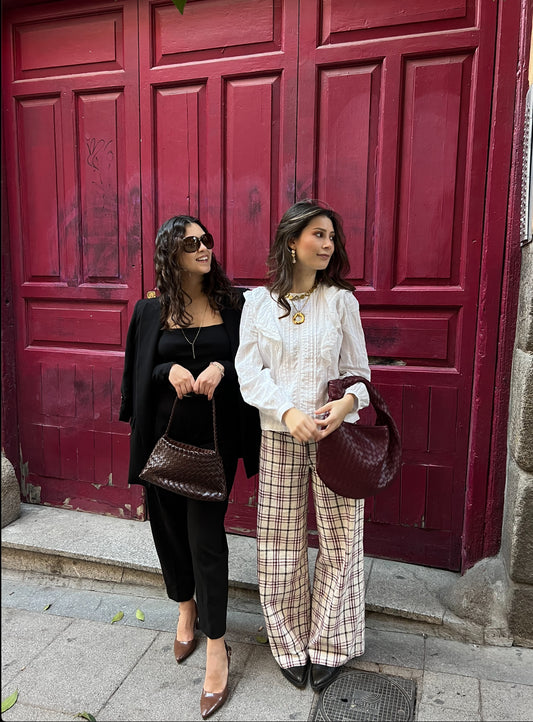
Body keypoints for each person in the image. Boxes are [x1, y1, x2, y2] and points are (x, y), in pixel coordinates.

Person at [119, 215, 260, 720]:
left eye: (206, 240)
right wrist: (169, 369)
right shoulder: (149, 310)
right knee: (168, 531)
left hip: (214, 442)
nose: (203, 248)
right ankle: (185, 607)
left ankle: (217, 645)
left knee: (206, 540)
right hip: (163, 439)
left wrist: (223, 367)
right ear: (170, 255)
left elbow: (255, 360)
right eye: (190, 243)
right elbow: (138, 372)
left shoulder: (235, 305)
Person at [235, 200, 371, 692]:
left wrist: (345, 404)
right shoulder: (257, 303)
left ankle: (331, 642)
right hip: (280, 434)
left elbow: (359, 373)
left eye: (332, 236)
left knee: (342, 538)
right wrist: (288, 412)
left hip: (337, 437)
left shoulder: (341, 301)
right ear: (291, 241)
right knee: (279, 542)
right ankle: (289, 642)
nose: (328, 244)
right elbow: (248, 372)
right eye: (318, 234)